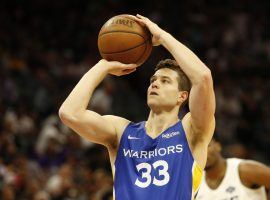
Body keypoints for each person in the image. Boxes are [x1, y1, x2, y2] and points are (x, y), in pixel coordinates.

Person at [59, 14, 215, 200]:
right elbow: (69, 113)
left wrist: (162, 36)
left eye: (165, 81)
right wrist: (102, 67)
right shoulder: (121, 131)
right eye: (153, 80)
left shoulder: (191, 131)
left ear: (182, 96)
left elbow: (203, 78)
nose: (155, 84)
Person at [196, 138, 270, 200]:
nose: (202, 152)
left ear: (218, 146)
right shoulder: (193, 184)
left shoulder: (244, 169)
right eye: (196, 150)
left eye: (207, 146)